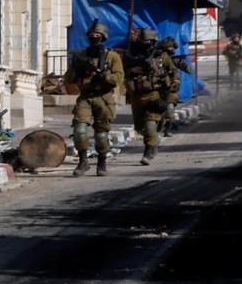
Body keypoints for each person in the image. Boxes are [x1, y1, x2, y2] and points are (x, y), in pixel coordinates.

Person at [63, 21, 124, 177]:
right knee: (79, 130)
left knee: (101, 135)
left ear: (103, 37)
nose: (94, 38)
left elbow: (118, 78)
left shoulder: (112, 56)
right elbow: (68, 79)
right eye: (91, 35)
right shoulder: (82, 56)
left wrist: (104, 77)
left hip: (104, 98)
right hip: (85, 97)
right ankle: (83, 161)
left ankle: (102, 162)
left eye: (97, 35)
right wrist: (77, 68)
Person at [123, 28, 176, 166]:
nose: (147, 43)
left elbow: (173, 73)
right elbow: (124, 73)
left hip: (153, 95)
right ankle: (152, 143)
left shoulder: (161, 56)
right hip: (137, 97)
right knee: (141, 128)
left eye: (149, 41)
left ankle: (149, 150)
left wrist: (169, 84)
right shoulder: (134, 56)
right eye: (144, 41)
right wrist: (133, 70)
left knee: (150, 125)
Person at [158, 36, 191, 137]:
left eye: (172, 48)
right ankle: (159, 129)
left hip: (170, 90)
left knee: (170, 111)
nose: (171, 49)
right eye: (169, 48)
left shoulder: (173, 60)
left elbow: (189, 70)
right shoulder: (160, 58)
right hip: (158, 89)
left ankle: (166, 130)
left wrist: (181, 63)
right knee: (160, 113)